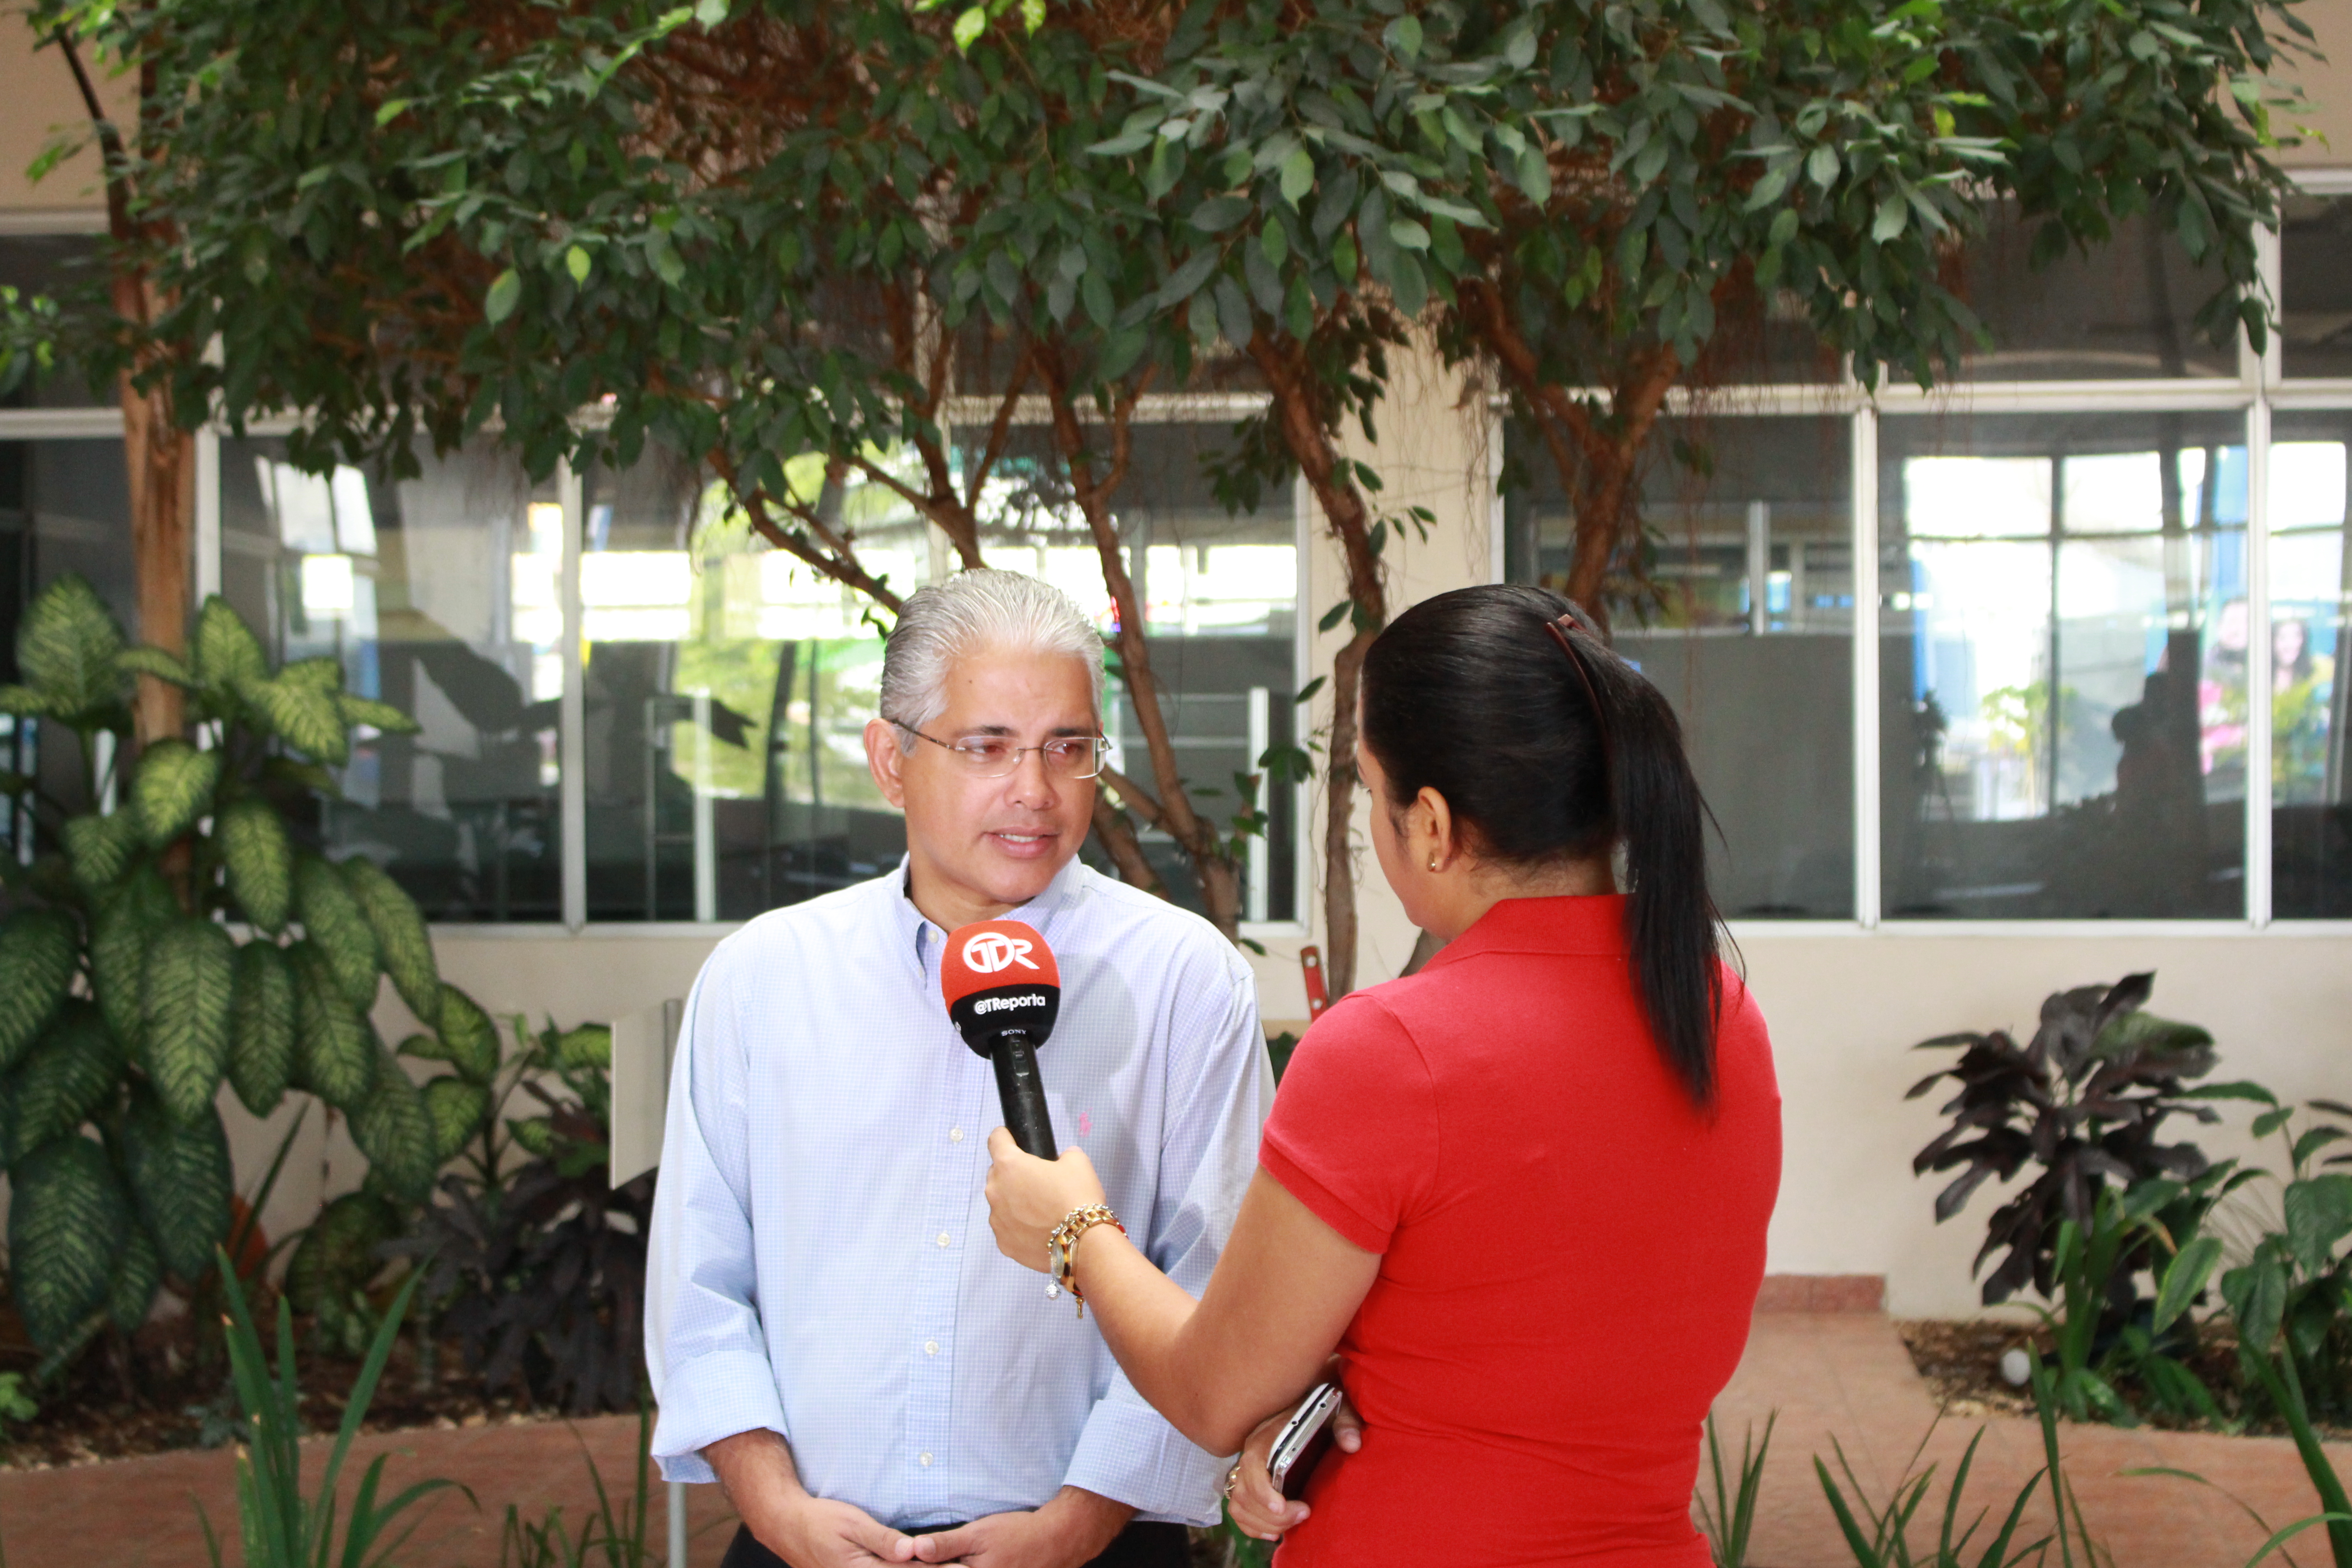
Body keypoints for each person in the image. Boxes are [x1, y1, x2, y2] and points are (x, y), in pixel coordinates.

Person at [984, 584, 1783, 1566]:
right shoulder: (1716, 1015)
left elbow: (1212, 1393)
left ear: (1435, 825)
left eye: (1367, 790)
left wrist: (1074, 1230)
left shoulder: (1395, 1051)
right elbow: (1535, 1321)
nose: (1368, 819)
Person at [647, 569, 1270, 1568]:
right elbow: (701, 1288)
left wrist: (1076, 1527)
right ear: (890, 761)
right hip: (808, 1543)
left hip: (1094, 1547)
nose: (1035, 789)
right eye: (988, 746)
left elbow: (1214, 1285)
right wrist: (775, 1511)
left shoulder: (1185, 980)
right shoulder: (763, 978)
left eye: (1068, 749)